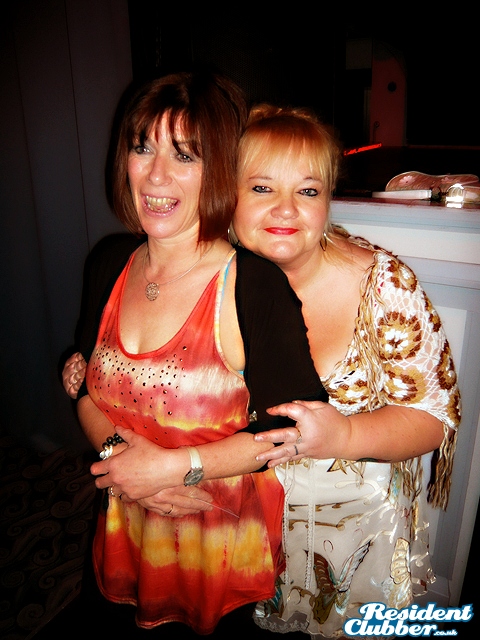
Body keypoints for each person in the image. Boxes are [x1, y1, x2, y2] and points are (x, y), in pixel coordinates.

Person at [62, 72, 328, 637]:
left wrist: (176, 468)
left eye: (184, 155)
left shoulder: (252, 286)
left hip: (216, 556)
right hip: (121, 533)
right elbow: (83, 388)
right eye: (143, 148)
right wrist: (123, 462)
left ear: (220, 171)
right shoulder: (108, 263)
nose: (156, 175)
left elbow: (289, 433)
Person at [229, 104, 461, 638]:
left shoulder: (383, 284)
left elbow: (433, 419)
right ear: (228, 195)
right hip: (247, 527)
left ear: (328, 199)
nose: (286, 208)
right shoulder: (213, 277)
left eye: (307, 191)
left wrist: (346, 435)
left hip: (357, 542)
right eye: (261, 187)